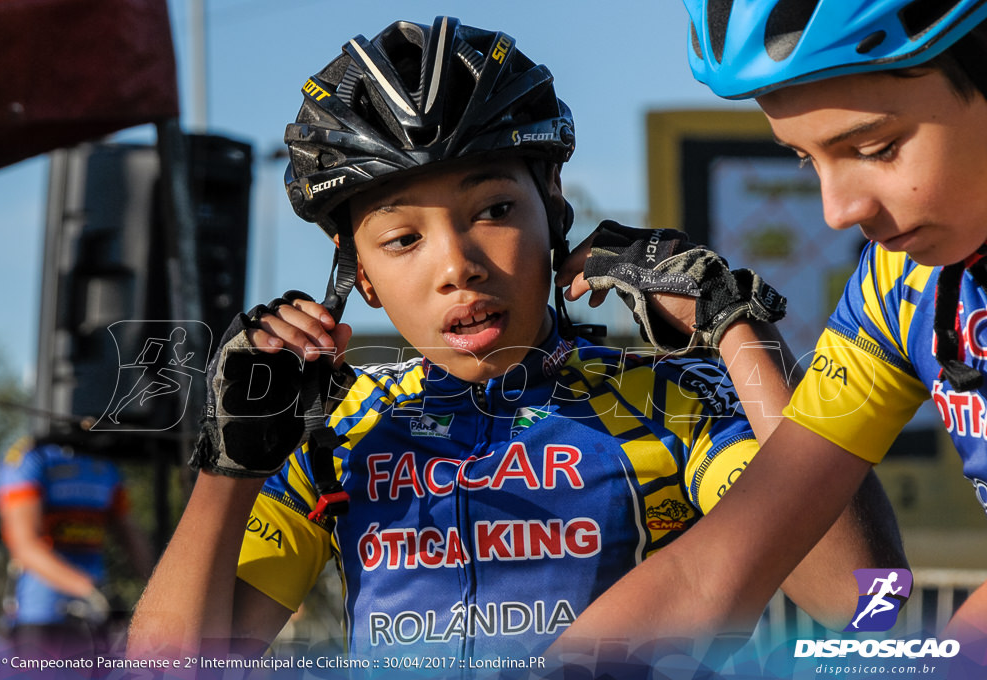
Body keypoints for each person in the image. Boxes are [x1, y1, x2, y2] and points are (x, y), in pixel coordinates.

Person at [126, 16, 903, 665]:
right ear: (357, 277)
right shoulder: (340, 431)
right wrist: (230, 466)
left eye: (493, 209)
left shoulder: (671, 404)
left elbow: (866, 601)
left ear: (554, 211)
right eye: (402, 239)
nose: (458, 266)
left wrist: (733, 323)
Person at [552, 0, 987, 660]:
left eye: (876, 148)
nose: (839, 211)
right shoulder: (901, 284)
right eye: (808, 161)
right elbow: (721, 568)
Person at [0, 436, 153, 655]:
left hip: (96, 619)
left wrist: (157, 587)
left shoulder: (105, 463)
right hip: (41, 618)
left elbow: (130, 534)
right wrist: (91, 590)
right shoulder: (30, 457)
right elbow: (25, 546)